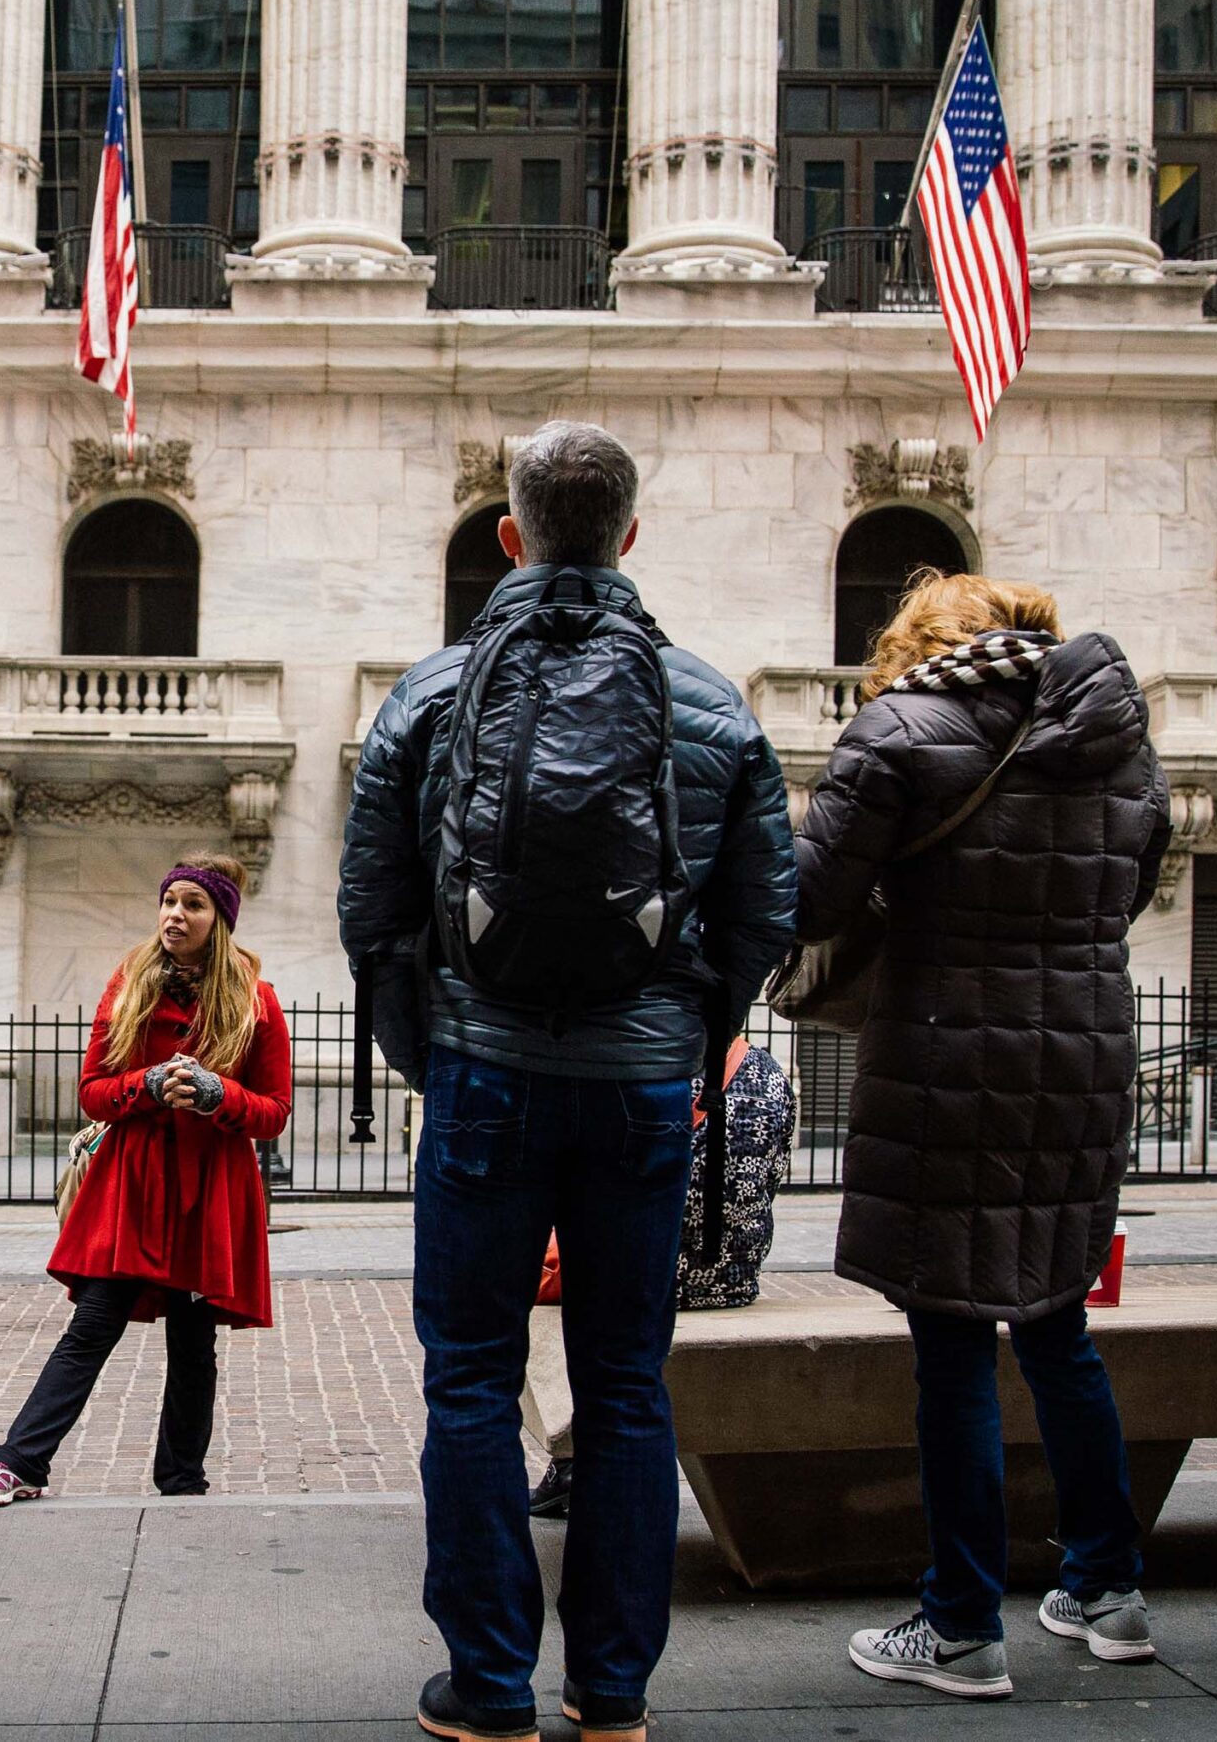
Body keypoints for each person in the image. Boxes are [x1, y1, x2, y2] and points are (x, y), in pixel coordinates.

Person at [341, 420, 796, 1742]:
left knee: (472, 1374)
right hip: (645, 1087)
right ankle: (613, 1692)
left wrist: (433, 1052)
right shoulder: (711, 704)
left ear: (511, 535)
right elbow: (768, 908)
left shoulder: (430, 696)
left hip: (484, 1076)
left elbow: (372, 910)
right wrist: (699, 1034)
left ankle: (487, 1688)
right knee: (627, 1380)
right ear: (632, 536)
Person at [793, 572, 1171, 1700]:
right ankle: (1107, 1584)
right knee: (1056, 1321)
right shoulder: (1119, 737)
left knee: (952, 1336)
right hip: (1084, 1054)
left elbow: (806, 898)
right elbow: (1131, 886)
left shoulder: (901, 726)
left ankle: (960, 1624)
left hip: (950, 1052)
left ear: (922, 642)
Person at [0, 854, 291, 1504]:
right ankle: (18, 1463)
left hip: (208, 1193)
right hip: (133, 1190)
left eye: (192, 904)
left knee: (193, 1345)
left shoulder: (257, 1002)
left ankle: (182, 1483)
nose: (174, 915)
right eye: (169, 902)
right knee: (92, 1323)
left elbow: (274, 1112)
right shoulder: (131, 984)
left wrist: (217, 1093)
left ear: (217, 918)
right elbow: (93, 1092)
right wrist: (146, 1086)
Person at [529, 1036, 796, 1520]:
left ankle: (571, 1461)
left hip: (645, 1271)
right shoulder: (771, 1074)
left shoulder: (646, 1062)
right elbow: (774, 1177)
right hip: (731, 1275)